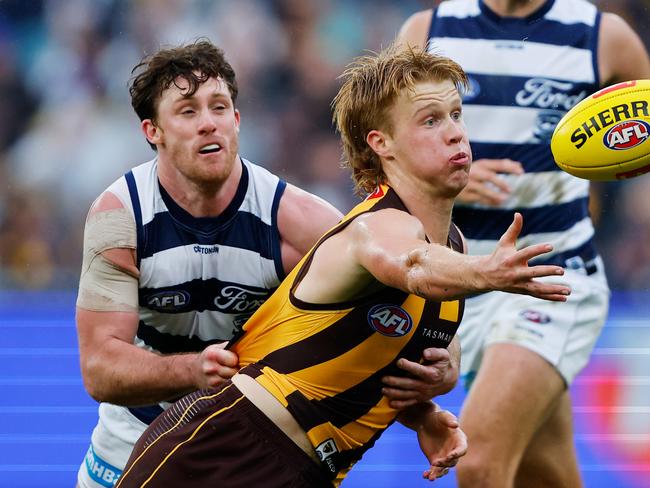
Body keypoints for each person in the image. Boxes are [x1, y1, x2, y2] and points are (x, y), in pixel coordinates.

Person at [115, 44, 571, 488]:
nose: (454, 132)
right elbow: (412, 265)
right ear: (382, 144)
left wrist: (426, 405)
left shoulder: (452, 246)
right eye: (430, 120)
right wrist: (487, 273)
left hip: (309, 469)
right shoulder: (372, 228)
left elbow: (405, 342)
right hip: (223, 449)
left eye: (455, 115)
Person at [75, 40, 459, 488]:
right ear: (152, 131)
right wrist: (194, 369)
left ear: (237, 120)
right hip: (130, 442)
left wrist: (434, 387)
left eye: (219, 108)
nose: (208, 124)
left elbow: (382, 327)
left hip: (243, 447)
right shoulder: (120, 219)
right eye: (187, 111)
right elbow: (100, 368)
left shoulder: (300, 222)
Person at [397, 1, 650, 486]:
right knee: (547, 472)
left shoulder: (604, 36)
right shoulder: (426, 30)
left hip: (553, 277)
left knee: (478, 460)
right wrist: (441, 179)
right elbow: (381, 149)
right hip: (459, 282)